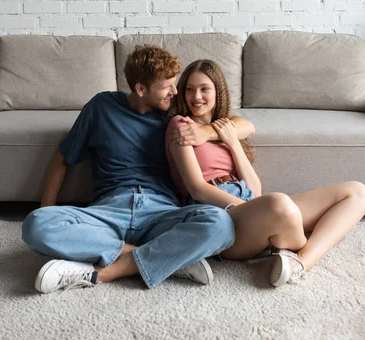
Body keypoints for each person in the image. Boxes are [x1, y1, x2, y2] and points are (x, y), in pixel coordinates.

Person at [22, 45, 254, 294]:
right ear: (141, 89)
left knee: (220, 223)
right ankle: (172, 256)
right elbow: (63, 159)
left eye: (175, 85)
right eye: (168, 87)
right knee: (36, 223)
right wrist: (47, 207)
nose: (176, 93)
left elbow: (244, 124)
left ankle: (113, 268)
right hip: (109, 210)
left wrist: (204, 132)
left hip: (161, 211)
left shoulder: (175, 113)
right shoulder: (101, 107)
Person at [165, 59, 365, 287]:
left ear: (217, 91)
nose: (196, 96)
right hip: (220, 213)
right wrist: (247, 208)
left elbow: (255, 189)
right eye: (189, 89)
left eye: (204, 89)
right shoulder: (181, 125)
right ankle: (283, 241)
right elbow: (197, 189)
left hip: (251, 203)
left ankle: (300, 262)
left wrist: (233, 142)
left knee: (357, 192)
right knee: (280, 204)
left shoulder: (225, 126)